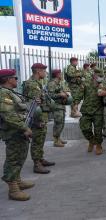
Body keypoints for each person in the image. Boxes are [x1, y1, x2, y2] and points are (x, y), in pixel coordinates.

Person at [0, 69, 34, 201]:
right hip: (13, 132)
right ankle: (13, 189)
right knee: (13, 159)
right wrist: (24, 127)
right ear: (8, 79)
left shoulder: (10, 93)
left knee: (21, 156)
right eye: (15, 78)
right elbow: (8, 115)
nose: (16, 80)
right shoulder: (3, 94)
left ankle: (18, 180)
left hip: (18, 131)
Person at [24, 63, 55, 174]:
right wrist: (38, 121)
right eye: (43, 71)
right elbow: (33, 105)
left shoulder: (38, 83)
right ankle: (37, 164)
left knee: (41, 139)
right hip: (37, 117)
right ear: (38, 71)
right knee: (37, 140)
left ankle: (40, 159)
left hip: (42, 115)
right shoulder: (32, 84)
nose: (45, 73)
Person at [80, 69, 104, 155]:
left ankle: (98, 145)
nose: (100, 77)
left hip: (98, 111)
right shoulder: (86, 84)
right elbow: (80, 94)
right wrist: (75, 103)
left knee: (98, 130)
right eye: (98, 75)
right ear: (94, 75)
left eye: (101, 76)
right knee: (84, 128)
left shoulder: (103, 86)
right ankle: (91, 140)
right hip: (86, 110)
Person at [47, 69, 69, 148]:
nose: (61, 75)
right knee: (58, 123)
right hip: (56, 106)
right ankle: (56, 141)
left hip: (61, 106)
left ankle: (58, 138)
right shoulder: (52, 83)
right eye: (60, 74)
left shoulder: (58, 83)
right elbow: (50, 95)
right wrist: (60, 95)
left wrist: (65, 94)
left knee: (61, 123)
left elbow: (61, 91)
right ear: (57, 75)